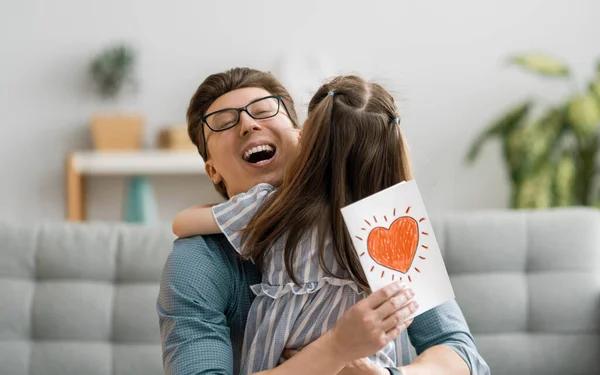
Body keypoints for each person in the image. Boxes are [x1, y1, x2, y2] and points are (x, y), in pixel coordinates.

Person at [157, 67, 490, 375]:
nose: (248, 125)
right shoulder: (197, 261)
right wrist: (336, 349)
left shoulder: (386, 226)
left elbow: (460, 353)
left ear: (304, 138)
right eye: (224, 122)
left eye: (263, 111)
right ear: (213, 170)